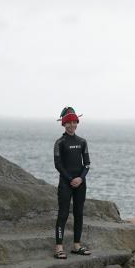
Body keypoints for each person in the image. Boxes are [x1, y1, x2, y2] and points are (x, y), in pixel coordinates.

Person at [53, 106, 91, 259]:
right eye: (68, 122)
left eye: (74, 122)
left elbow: (87, 164)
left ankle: (77, 245)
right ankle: (59, 247)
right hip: (65, 183)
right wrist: (70, 179)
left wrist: (80, 178)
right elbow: (58, 165)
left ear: (77, 123)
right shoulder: (60, 142)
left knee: (79, 213)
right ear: (63, 124)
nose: (72, 125)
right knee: (63, 214)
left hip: (80, 182)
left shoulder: (82, 142)